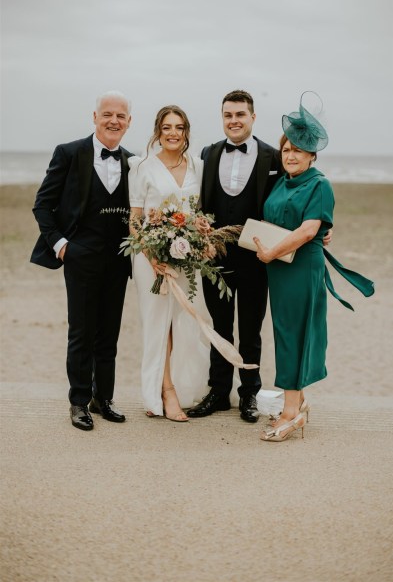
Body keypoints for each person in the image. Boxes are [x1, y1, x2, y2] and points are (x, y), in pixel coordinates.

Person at [254, 92, 374, 442]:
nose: (290, 156)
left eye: (298, 151)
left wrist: (272, 252)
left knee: (295, 335)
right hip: (278, 269)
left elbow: (308, 230)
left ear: (311, 155)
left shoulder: (319, 184)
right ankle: (299, 402)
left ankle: (291, 414)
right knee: (284, 333)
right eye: (286, 150)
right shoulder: (281, 182)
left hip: (300, 269)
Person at [31, 91, 133, 431]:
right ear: (95, 117)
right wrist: (60, 244)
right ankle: (78, 402)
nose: (113, 120)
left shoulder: (134, 162)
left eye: (120, 115)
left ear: (129, 122)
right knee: (81, 332)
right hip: (80, 258)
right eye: (107, 114)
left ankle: (103, 398)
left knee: (109, 334)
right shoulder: (70, 153)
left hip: (118, 262)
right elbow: (42, 205)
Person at [186, 90, 284, 423]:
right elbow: (195, 200)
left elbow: (290, 199)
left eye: (240, 114)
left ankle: (250, 395)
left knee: (251, 329)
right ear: (222, 118)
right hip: (215, 256)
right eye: (228, 115)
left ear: (252, 118)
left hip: (257, 257)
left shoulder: (273, 157)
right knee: (219, 327)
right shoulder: (207, 153)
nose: (234, 120)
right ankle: (218, 393)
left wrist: (321, 228)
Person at [128, 105, 211, 421]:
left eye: (179, 127)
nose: (173, 133)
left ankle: (181, 384)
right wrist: (150, 254)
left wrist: (201, 234)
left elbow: (200, 212)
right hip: (151, 260)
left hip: (186, 256)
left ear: (186, 131)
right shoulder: (141, 166)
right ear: (157, 131)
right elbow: (135, 220)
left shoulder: (198, 167)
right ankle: (164, 392)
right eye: (167, 127)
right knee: (157, 325)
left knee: (185, 323)